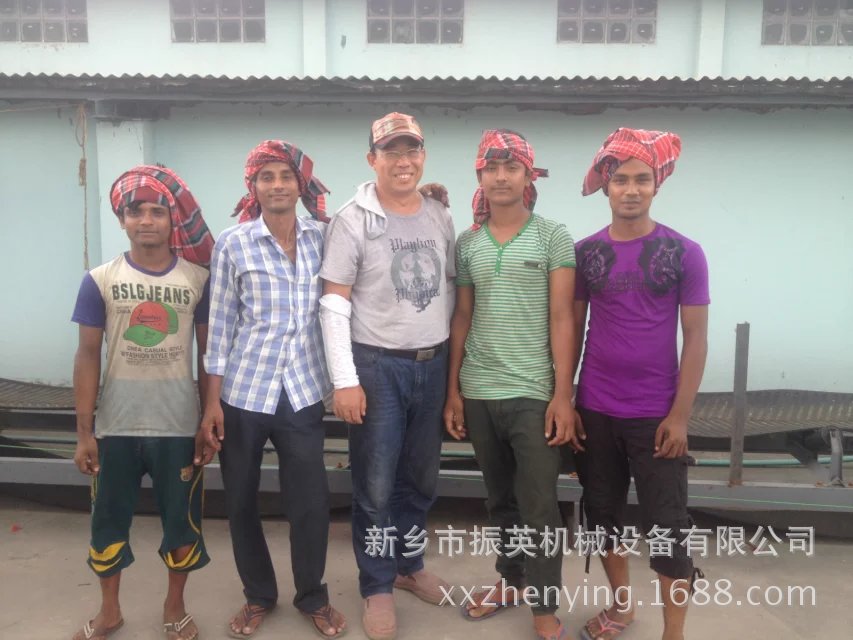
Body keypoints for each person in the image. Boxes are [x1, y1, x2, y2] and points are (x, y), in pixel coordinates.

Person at [200, 141, 346, 639]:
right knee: (241, 500)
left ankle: (313, 596)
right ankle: (258, 595)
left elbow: (374, 227)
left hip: (302, 391)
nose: (277, 185)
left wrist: (430, 197)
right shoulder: (233, 243)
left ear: (300, 185)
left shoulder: (324, 237)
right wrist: (212, 402)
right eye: (267, 177)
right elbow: (221, 324)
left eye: (286, 176)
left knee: (310, 500)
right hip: (243, 393)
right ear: (254, 187)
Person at [319, 112, 456, 640]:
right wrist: (345, 379)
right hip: (376, 367)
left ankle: (408, 566)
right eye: (391, 151)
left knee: (420, 479)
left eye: (411, 150)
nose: (403, 161)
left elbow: (447, 286)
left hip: (432, 363)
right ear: (371, 159)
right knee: (375, 485)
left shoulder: (439, 214)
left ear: (423, 156)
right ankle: (377, 584)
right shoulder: (353, 220)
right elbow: (335, 303)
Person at [572, 128, 709, 640]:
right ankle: (622, 607)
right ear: (606, 187)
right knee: (602, 516)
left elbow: (696, 340)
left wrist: (680, 416)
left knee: (668, 529)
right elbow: (573, 330)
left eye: (642, 180)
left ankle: (674, 632)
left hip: (657, 416)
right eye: (621, 180)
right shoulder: (586, 253)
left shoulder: (683, 252)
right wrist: (568, 400)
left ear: (657, 185)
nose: (631, 189)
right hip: (596, 410)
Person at [444, 129, 578, 640]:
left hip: (533, 393)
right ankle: (512, 580)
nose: (501, 177)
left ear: (528, 176)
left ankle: (545, 608)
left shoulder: (552, 236)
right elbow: (462, 317)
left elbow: (563, 317)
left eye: (511, 167)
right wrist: (454, 392)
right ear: (480, 176)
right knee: (500, 500)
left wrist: (563, 394)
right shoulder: (468, 243)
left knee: (539, 505)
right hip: (479, 391)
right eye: (491, 168)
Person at [70, 165, 215, 640]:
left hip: (178, 428)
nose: (147, 220)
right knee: (107, 523)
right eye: (136, 212)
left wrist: (207, 418)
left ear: (174, 220)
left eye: (157, 211)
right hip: (116, 428)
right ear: (122, 219)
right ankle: (109, 611)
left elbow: (209, 355)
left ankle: (175, 607)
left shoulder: (198, 279)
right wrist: (85, 432)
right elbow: (87, 355)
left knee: (182, 525)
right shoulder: (100, 280)